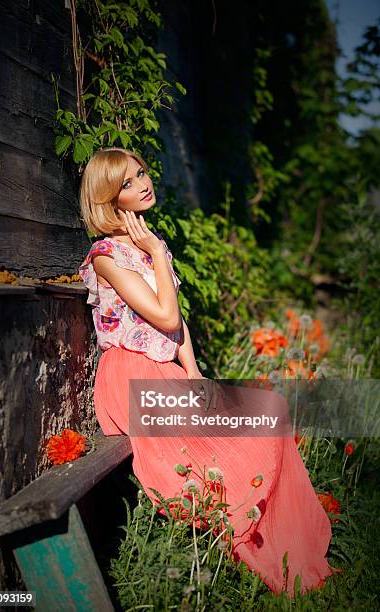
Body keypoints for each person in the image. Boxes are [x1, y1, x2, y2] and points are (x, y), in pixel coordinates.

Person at [78, 147, 335, 596]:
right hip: (130, 378)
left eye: (141, 173)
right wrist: (157, 251)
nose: (143, 183)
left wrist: (196, 375)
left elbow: (181, 325)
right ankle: (248, 544)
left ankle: (288, 549)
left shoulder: (146, 246)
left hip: (163, 371)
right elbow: (164, 318)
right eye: (128, 182)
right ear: (108, 197)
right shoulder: (106, 255)